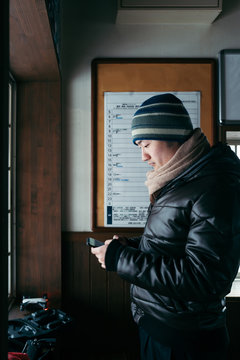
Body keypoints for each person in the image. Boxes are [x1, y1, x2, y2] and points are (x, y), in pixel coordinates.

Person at [91, 93, 240, 360]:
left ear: (169, 134)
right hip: (163, 330)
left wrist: (120, 257)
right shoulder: (181, 182)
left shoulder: (213, 186)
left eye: (146, 144)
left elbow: (204, 278)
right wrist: (132, 245)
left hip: (184, 342)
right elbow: (176, 243)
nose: (143, 157)